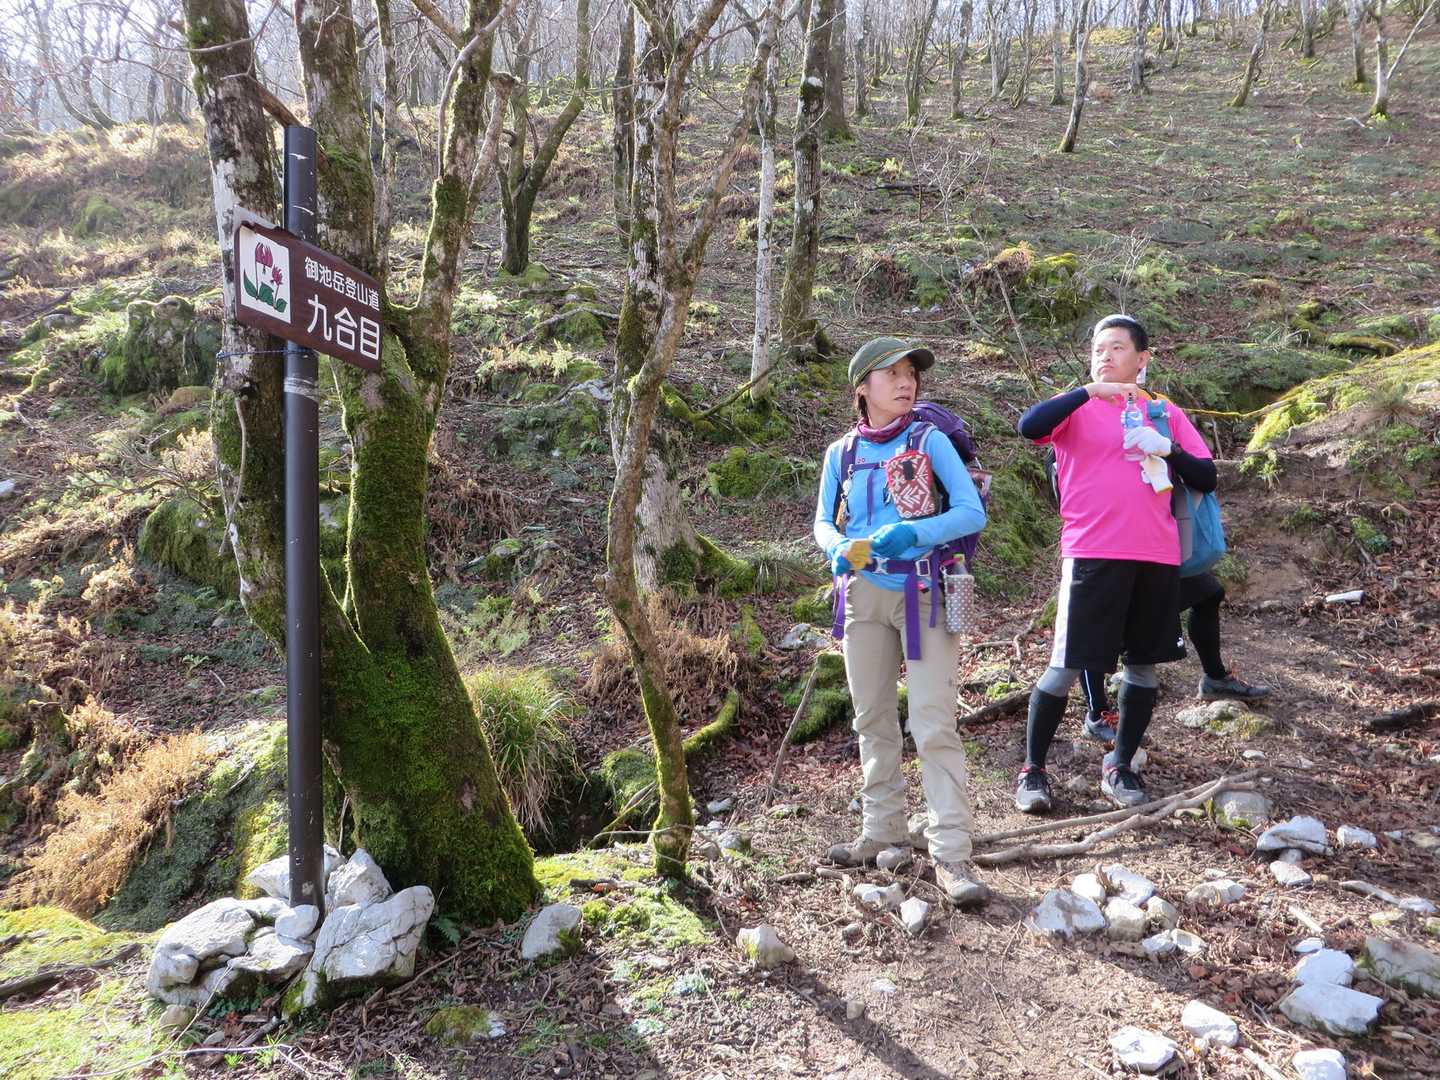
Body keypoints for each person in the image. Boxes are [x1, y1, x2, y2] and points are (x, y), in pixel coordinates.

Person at [1013, 314, 1217, 814]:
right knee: (1065, 666)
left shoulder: (1164, 411)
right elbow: (1029, 427)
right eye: (1098, 349)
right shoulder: (1075, 407)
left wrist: (1167, 448)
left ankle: (1121, 764)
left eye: (1117, 348)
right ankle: (1033, 769)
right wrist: (1089, 391)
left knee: (1142, 665)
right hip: (1091, 553)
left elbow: (1206, 477)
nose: (1105, 355)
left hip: (1157, 554)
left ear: (1142, 359)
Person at [814, 336, 991, 907]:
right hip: (861, 595)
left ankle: (951, 852)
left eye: (910, 372)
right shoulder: (841, 453)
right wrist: (836, 547)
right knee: (871, 717)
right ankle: (882, 830)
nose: (905, 381)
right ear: (861, 387)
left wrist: (914, 532)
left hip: (924, 591)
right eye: (890, 372)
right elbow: (822, 521)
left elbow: (971, 511)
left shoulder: (929, 439)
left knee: (933, 722)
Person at [1079, 570, 1270, 740]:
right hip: (1106, 562)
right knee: (1095, 627)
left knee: (1208, 591)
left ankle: (1215, 679)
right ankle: (1097, 717)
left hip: (1151, 559)